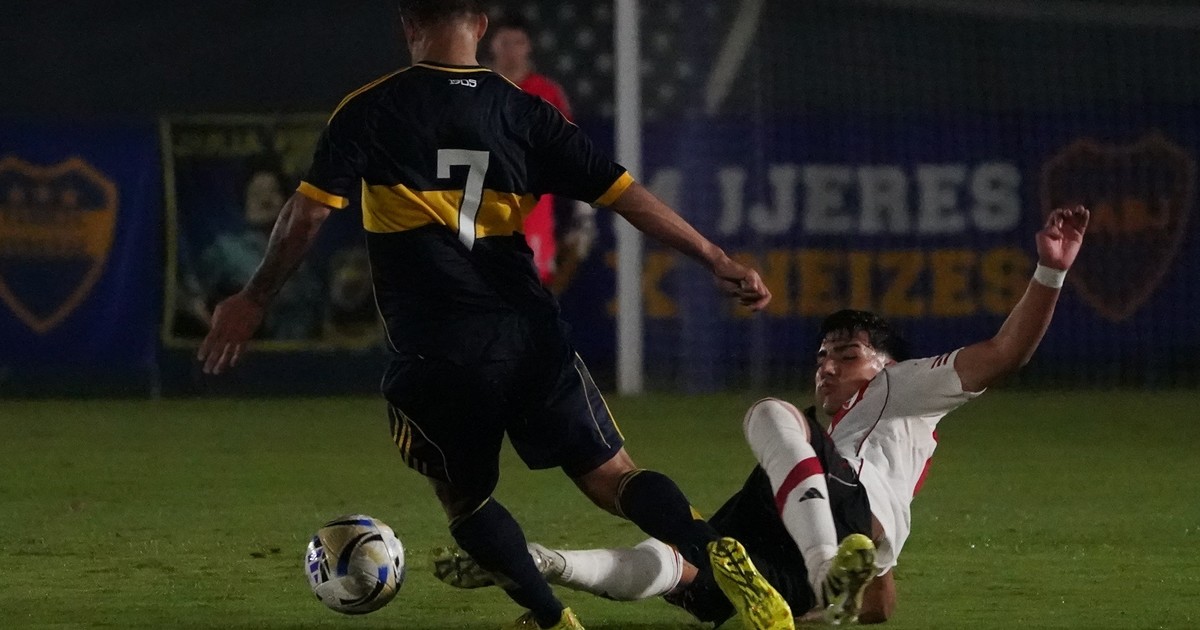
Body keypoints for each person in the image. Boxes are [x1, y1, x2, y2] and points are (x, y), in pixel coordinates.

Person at [197, 2, 791, 630]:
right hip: (530, 333)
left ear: (408, 25)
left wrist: (254, 297)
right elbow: (628, 196)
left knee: (466, 501)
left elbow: (308, 215)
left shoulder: (370, 108)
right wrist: (714, 257)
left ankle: (551, 619)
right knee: (614, 476)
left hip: (439, 347)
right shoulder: (527, 112)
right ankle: (713, 547)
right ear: (480, 25)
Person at [433, 207, 1092, 625]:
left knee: (774, 413)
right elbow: (880, 605)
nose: (827, 367)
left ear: (889, 364)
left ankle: (822, 566)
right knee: (684, 562)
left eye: (847, 355)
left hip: (836, 520)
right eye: (821, 356)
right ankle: (539, 562)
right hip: (812, 534)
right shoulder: (847, 437)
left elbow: (1005, 353)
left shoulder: (903, 387)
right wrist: (842, 602)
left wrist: (1050, 271)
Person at [488, 14, 596, 293]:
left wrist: (583, 211)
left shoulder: (547, 93)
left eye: (518, 43)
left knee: (529, 288)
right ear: (492, 45)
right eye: (505, 43)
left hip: (531, 207)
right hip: (481, 203)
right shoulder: (475, 89)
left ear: (529, 47)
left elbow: (571, 154)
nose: (511, 51)